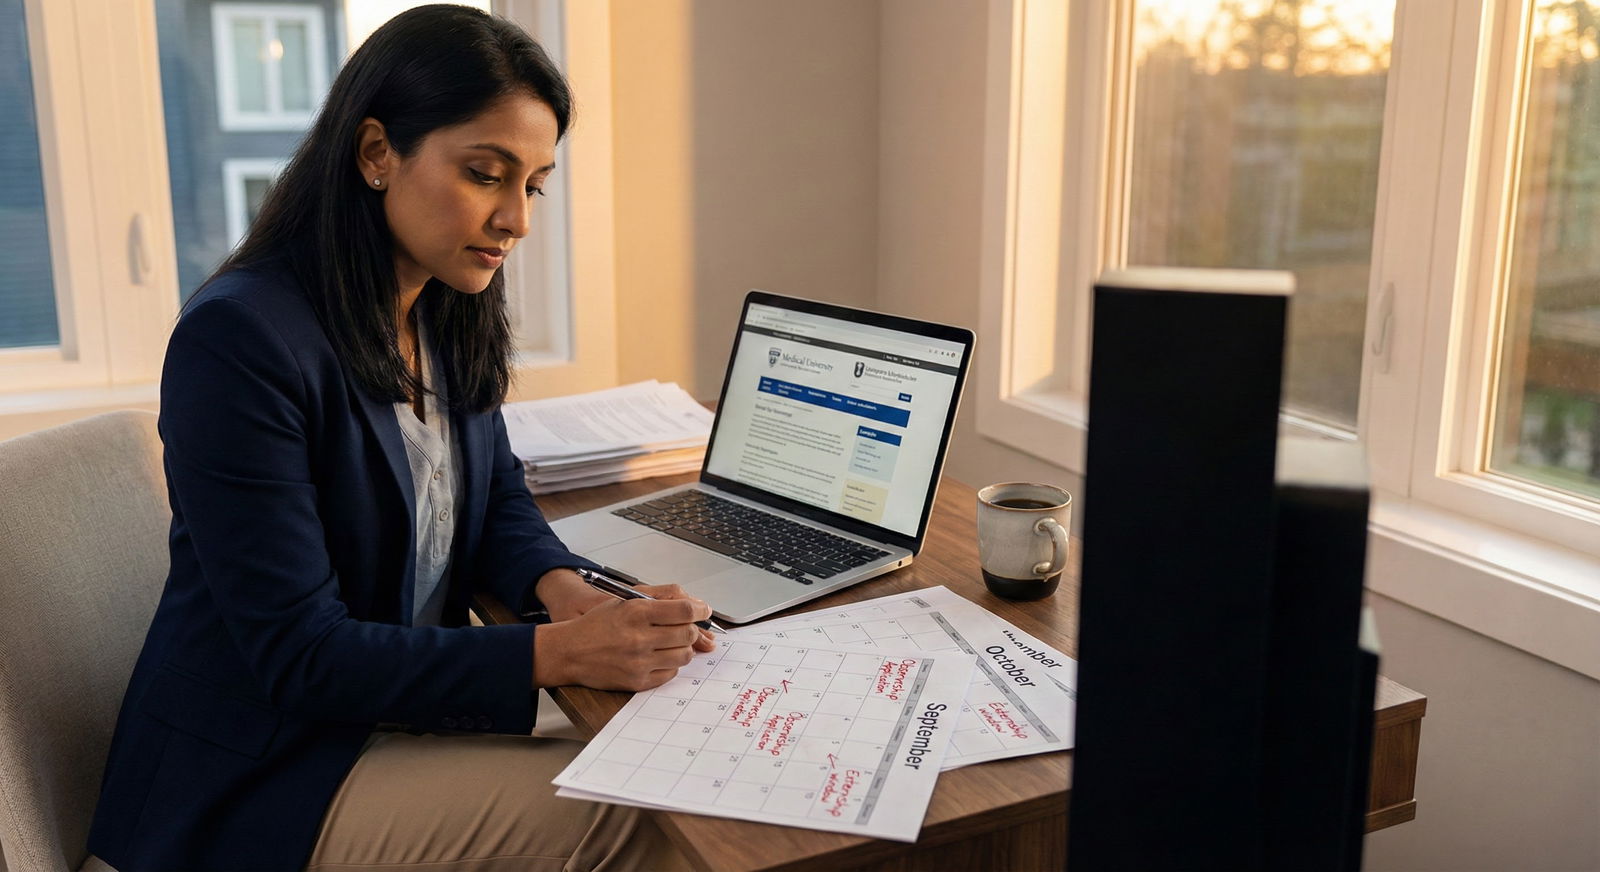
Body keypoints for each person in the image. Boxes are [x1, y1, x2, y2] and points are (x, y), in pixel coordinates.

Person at [86, 6, 705, 871]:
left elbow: (495, 501)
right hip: (272, 769)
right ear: (377, 153)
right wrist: (558, 651)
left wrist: (566, 590)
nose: (516, 220)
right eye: (486, 174)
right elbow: (303, 657)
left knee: (669, 764)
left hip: (389, 714)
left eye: (533, 184)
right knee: (644, 820)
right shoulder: (240, 342)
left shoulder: (447, 303)